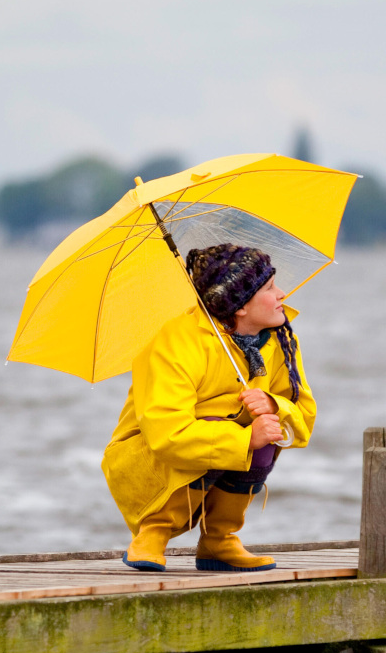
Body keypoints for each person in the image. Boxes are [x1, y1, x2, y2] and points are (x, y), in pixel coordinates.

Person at [102, 242, 317, 571]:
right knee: (234, 431)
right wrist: (245, 439)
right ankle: (153, 532)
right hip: (149, 462)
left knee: (262, 436)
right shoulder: (175, 342)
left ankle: (219, 539)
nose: (282, 294)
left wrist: (275, 406)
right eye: (270, 287)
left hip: (205, 451)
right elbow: (166, 435)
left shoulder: (281, 340)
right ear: (241, 306)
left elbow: (303, 421)